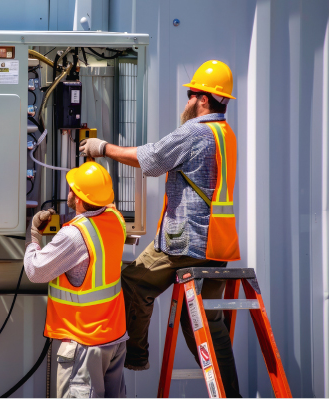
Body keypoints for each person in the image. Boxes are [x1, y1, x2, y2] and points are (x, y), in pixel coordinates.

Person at [79, 60, 242, 397]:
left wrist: (103, 148)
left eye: (188, 96)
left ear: (202, 99)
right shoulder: (225, 134)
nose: (185, 103)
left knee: (134, 280)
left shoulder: (197, 131)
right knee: (203, 324)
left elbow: (151, 159)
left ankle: (137, 356)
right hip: (218, 247)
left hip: (186, 243)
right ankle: (230, 393)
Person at [24, 162, 128, 398]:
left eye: (72, 188)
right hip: (114, 339)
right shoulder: (116, 219)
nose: (68, 192)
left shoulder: (74, 234)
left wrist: (34, 236)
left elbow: (35, 271)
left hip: (85, 344)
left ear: (79, 198)